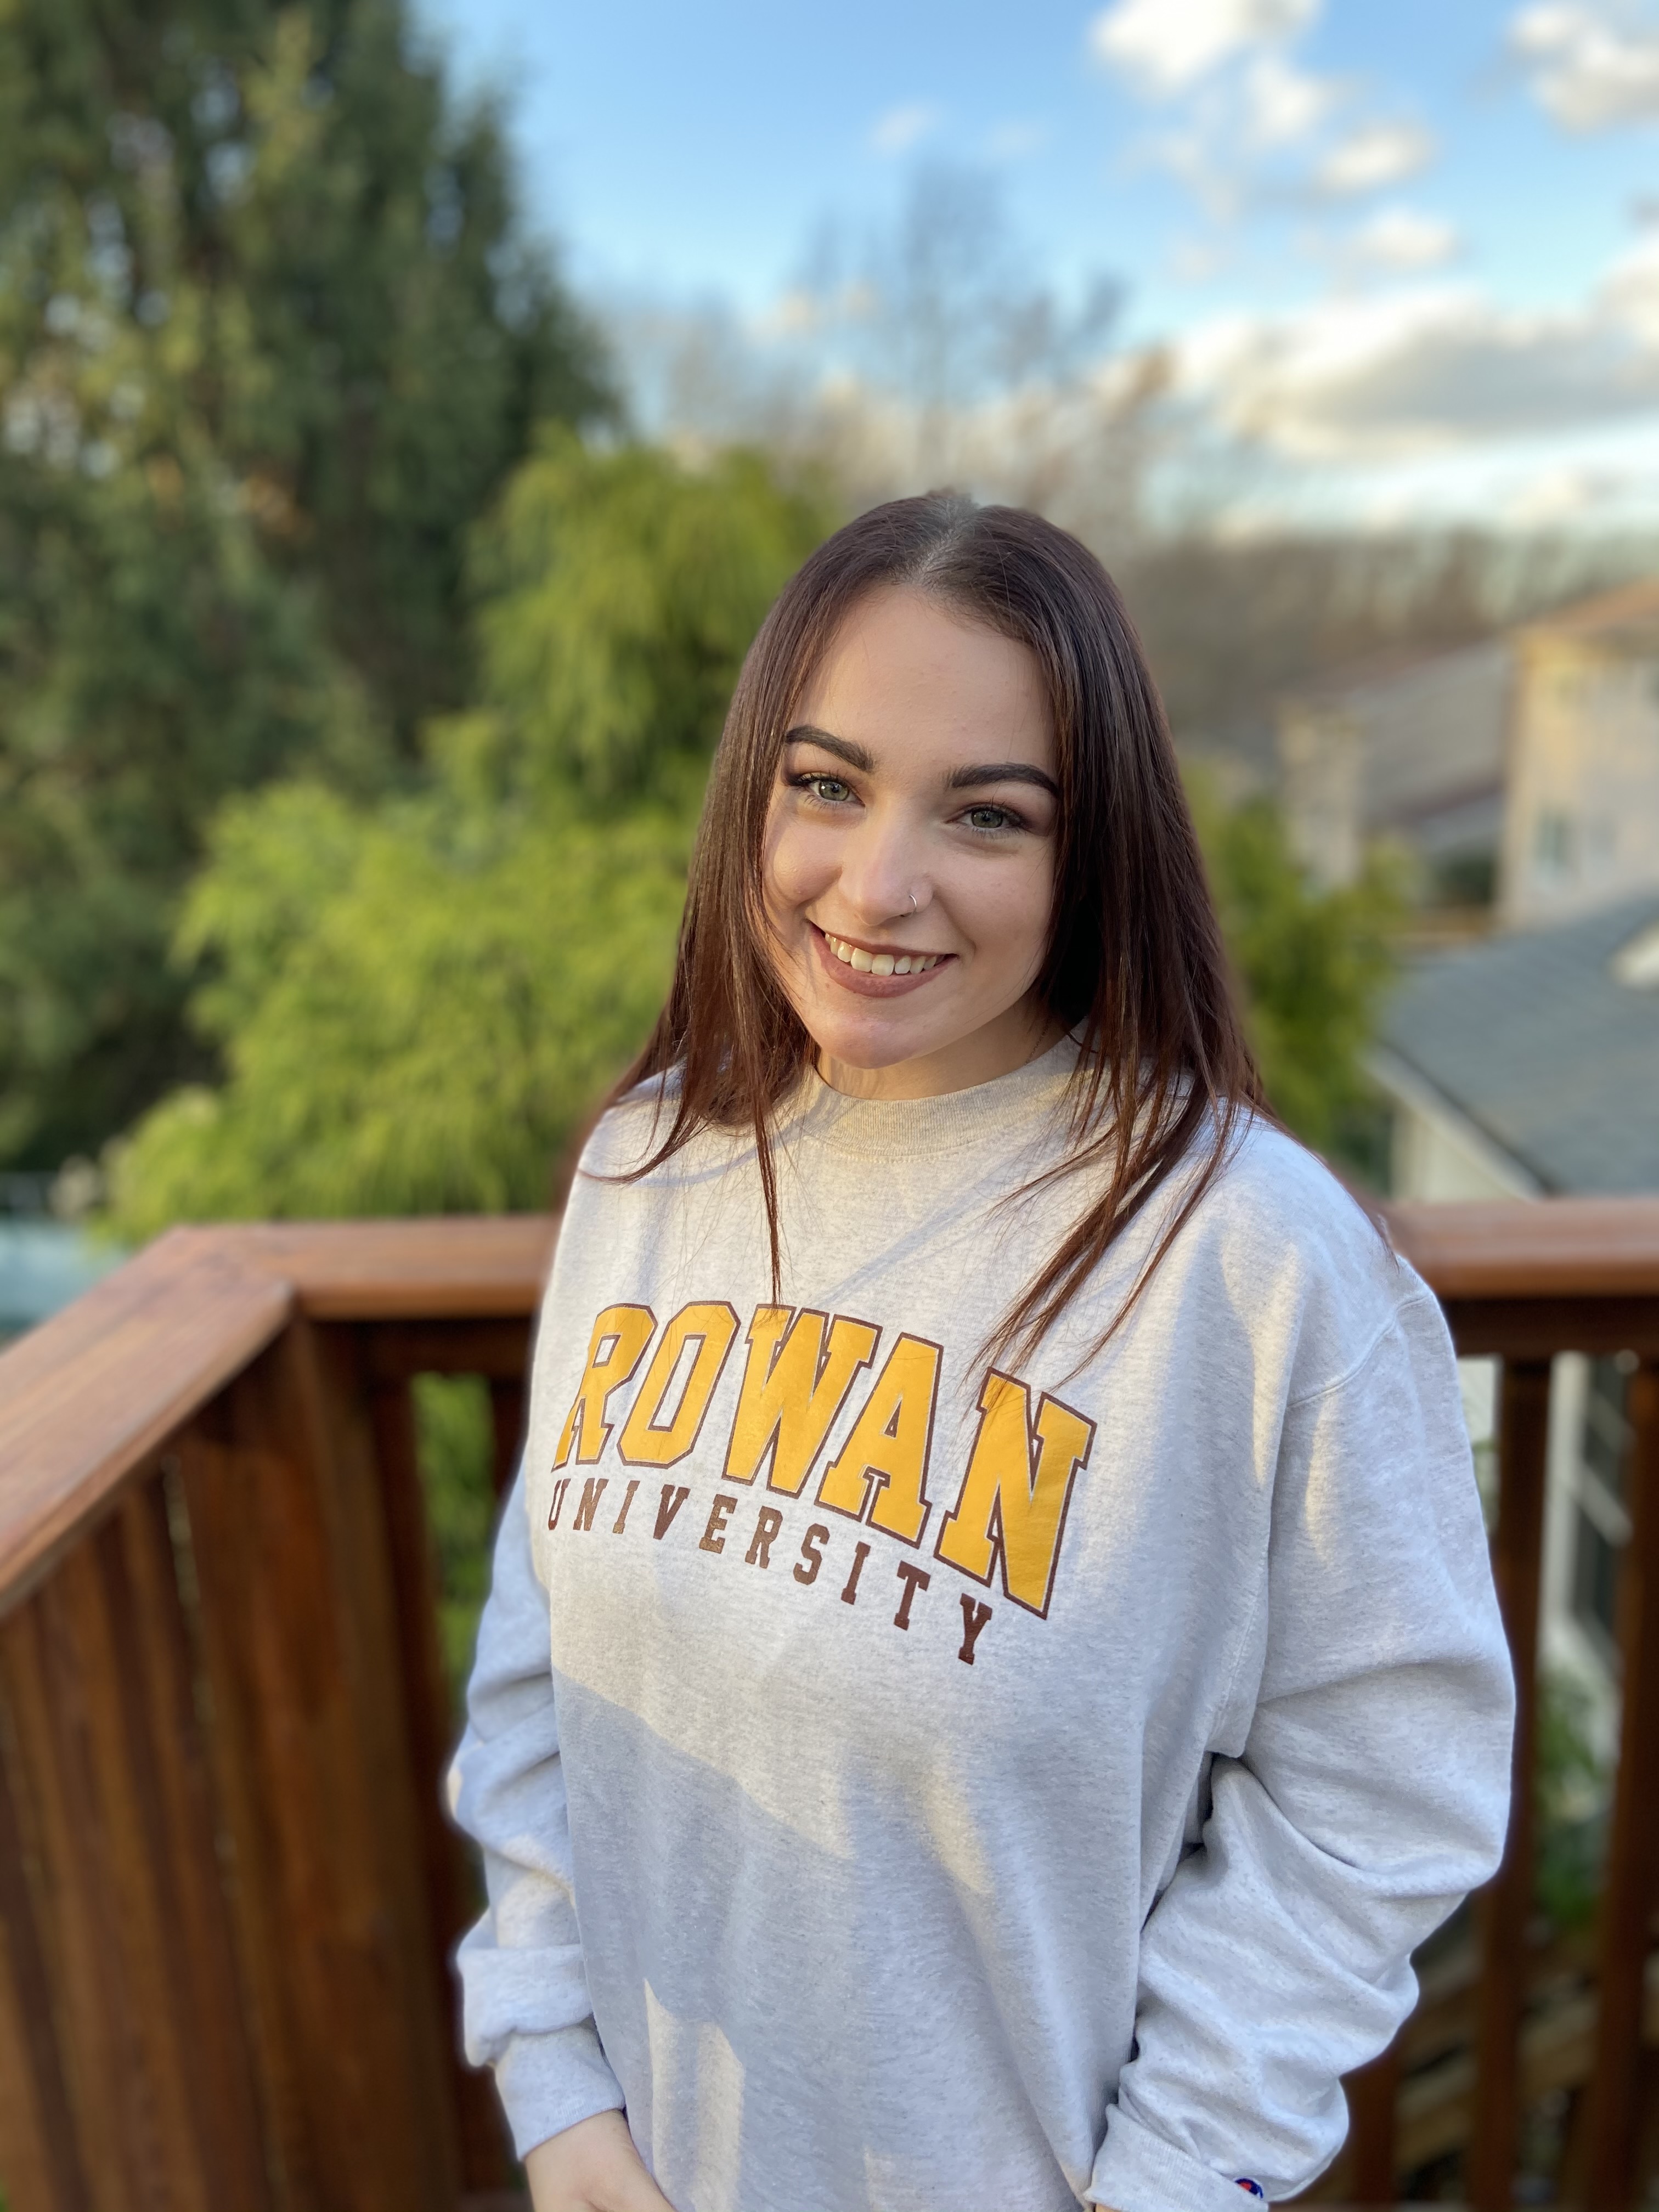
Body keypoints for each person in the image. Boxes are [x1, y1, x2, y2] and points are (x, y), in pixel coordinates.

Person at [448, 494, 1513, 2212]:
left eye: (986, 815)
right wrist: (560, 2090)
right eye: (827, 784)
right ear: (754, 795)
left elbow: (1389, 1791)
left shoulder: (1255, 1265)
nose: (878, 884)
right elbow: (539, 1671)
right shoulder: (649, 1166)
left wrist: (1173, 2182)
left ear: (1089, 855)